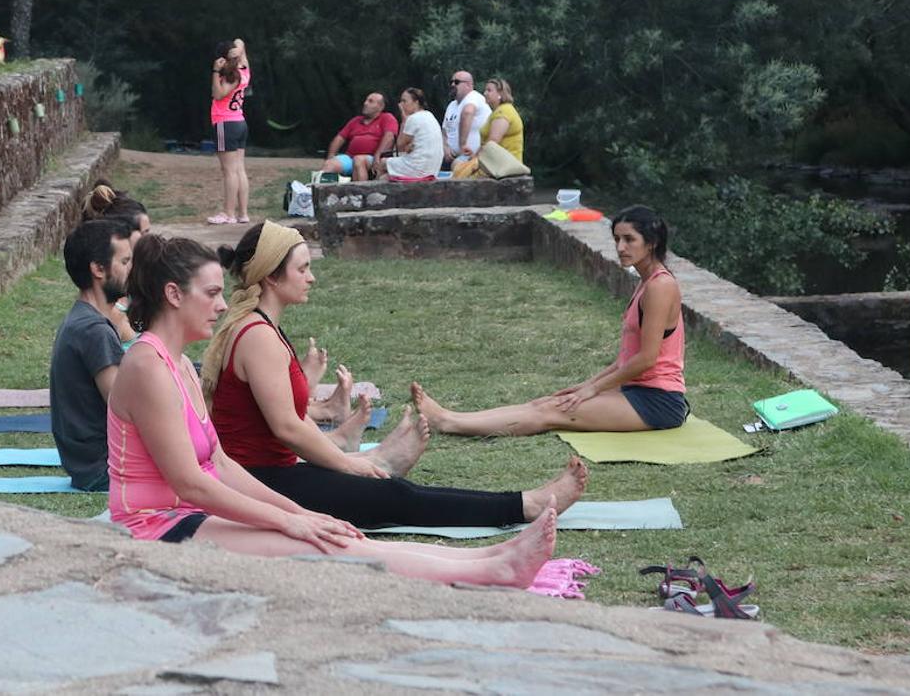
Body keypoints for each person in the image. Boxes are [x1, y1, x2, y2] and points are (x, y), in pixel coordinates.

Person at [107, 233, 558, 587]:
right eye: (212, 293)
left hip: (186, 516)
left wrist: (299, 514)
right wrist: (292, 519)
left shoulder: (180, 362)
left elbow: (219, 463)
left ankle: (487, 557)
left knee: (326, 532)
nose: (223, 304)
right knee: (323, 546)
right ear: (173, 294)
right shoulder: (147, 366)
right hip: (155, 529)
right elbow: (192, 482)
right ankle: (492, 572)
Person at [201, 221, 587, 529]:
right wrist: (345, 463)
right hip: (261, 482)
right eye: (302, 268)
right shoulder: (257, 336)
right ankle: (525, 506)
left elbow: (283, 421)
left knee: (385, 488)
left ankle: (379, 465)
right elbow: (286, 427)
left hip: (268, 472)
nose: (311, 277)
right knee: (399, 498)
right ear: (271, 276)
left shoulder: (260, 327)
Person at [416, 206, 689, 436]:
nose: (620, 247)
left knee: (552, 412)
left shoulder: (660, 287)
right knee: (550, 401)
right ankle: (451, 416)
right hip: (636, 390)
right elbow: (626, 359)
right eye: (617, 239)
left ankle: (447, 423)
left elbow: (647, 358)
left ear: (651, 243)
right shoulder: (646, 282)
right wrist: (585, 387)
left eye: (629, 240)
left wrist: (592, 389)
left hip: (658, 402)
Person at [49, 219, 136, 491]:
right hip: (104, 469)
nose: (132, 270)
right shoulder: (93, 330)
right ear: (98, 269)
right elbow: (126, 408)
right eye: (124, 262)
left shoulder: (83, 318)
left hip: (92, 465)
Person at [82, 181, 153, 342]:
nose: (150, 240)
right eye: (144, 233)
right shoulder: (109, 303)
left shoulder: (133, 285)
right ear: (122, 234)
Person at [208, 38, 250, 225]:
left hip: (225, 123)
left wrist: (216, 71)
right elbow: (240, 41)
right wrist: (238, 51)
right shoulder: (244, 69)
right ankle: (243, 214)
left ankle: (229, 214)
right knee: (239, 169)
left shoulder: (231, 75)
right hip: (240, 122)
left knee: (229, 171)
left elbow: (218, 94)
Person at [320, 92, 399, 181]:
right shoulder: (355, 121)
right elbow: (339, 138)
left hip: (372, 158)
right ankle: (322, 191)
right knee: (329, 164)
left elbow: (389, 137)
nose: (365, 103)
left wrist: (378, 156)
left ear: (381, 107)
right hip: (350, 157)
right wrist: (331, 155)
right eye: (366, 100)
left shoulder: (387, 118)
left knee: (358, 160)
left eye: (370, 101)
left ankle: (360, 192)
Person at [375, 87, 443, 180]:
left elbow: (399, 147)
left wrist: (403, 120)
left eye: (404, 101)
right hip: (432, 168)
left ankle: (373, 189)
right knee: (385, 177)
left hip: (418, 167)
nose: (400, 105)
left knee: (383, 162)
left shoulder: (413, 118)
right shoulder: (430, 115)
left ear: (416, 102)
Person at [441, 71, 489, 168]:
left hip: (472, 158)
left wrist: (462, 145)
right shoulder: (452, 105)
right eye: (452, 82)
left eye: (457, 82)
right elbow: (444, 131)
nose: (453, 84)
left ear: (468, 85)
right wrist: (445, 147)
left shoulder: (474, 97)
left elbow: (467, 112)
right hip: (449, 157)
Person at [482, 78, 524, 162]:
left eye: (489, 90)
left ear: (500, 94)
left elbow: (493, 142)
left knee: (459, 167)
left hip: (504, 165)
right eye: (485, 90)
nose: (485, 93)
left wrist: (476, 158)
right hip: (497, 163)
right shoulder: (498, 111)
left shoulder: (503, 112)